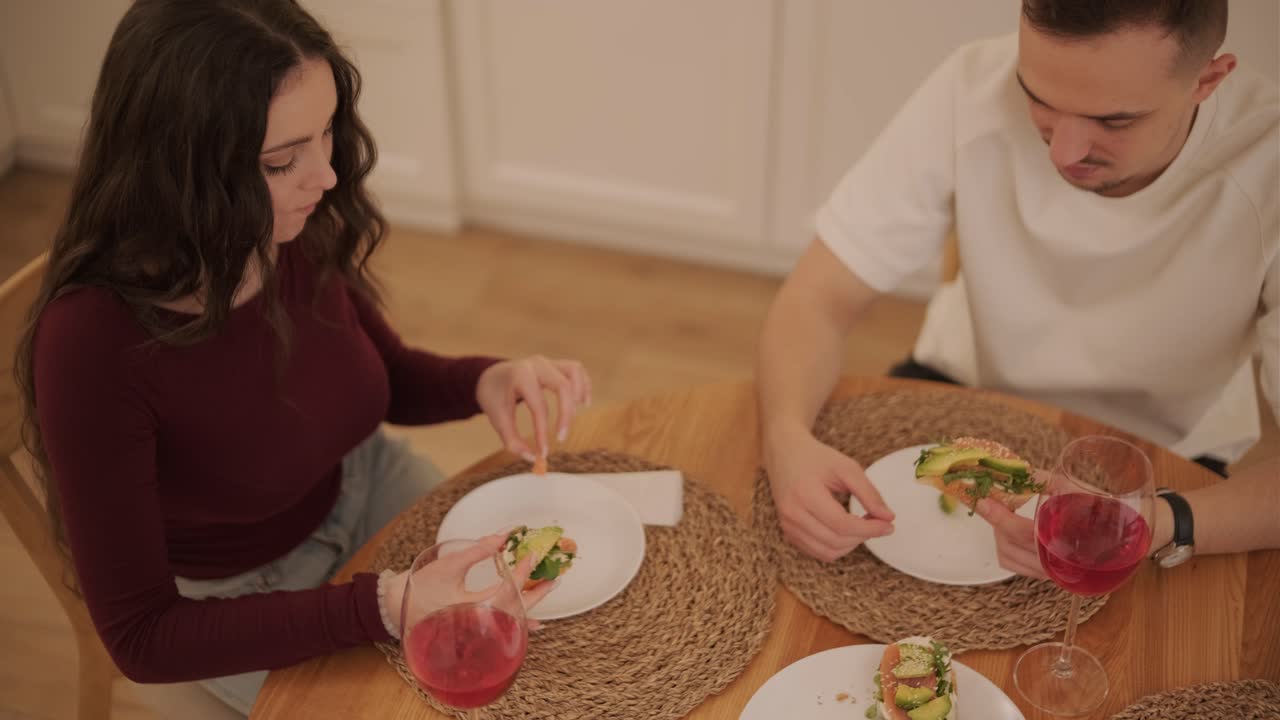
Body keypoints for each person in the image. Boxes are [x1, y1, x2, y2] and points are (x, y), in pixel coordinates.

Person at [13, 0, 589, 715]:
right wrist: (384, 604)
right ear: (178, 171)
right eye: (283, 160)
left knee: (561, 644)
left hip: (363, 487)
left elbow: (382, 380)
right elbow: (141, 635)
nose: (326, 176)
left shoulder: (283, 227)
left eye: (326, 135)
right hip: (238, 600)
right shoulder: (91, 346)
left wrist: (486, 379)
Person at [757, 0, 1279, 571]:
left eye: (1114, 121)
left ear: (1208, 79)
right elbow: (818, 298)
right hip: (962, 389)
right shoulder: (970, 85)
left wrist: (1160, 521)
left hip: (1171, 452)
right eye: (1039, 99)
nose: (1062, 152)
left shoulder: (1269, 159)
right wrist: (784, 437)